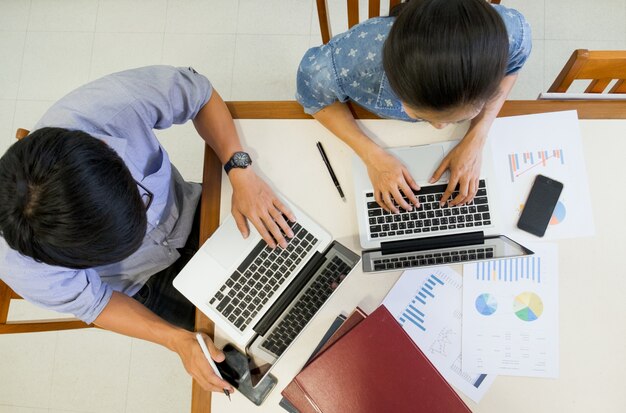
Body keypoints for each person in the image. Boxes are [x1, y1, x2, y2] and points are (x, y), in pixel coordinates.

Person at [0, 66, 296, 393]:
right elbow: (95, 302)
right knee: (265, 367)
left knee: (305, 263)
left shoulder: (109, 107)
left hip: (200, 210)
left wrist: (238, 168)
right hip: (146, 283)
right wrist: (175, 340)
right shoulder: (21, 263)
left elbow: (199, 95)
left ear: (105, 146)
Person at [297, 0, 531, 212]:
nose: (440, 127)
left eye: (458, 119)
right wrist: (371, 156)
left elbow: (513, 66)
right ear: (393, 79)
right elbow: (313, 96)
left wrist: (477, 136)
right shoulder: (351, 64)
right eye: (423, 116)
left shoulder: (510, 34)